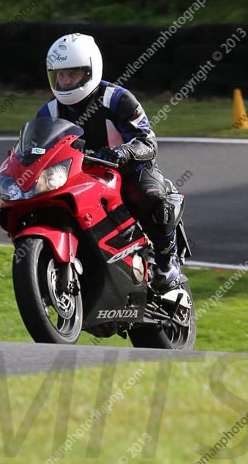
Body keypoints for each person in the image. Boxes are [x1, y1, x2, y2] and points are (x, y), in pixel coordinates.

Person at [37, 33, 182, 291]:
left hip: (127, 173)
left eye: (72, 74)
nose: (65, 81)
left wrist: (124, 153)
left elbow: (147, 141)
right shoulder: (49, 112)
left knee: (151, 197)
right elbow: (37, 149)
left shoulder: (117, 99)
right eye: (59, 75)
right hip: (79, 179)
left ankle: (166, 263)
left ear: (90, 70)